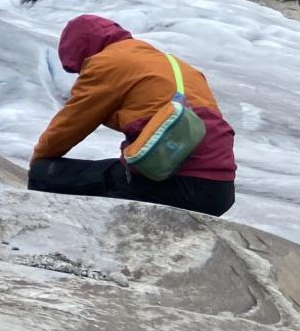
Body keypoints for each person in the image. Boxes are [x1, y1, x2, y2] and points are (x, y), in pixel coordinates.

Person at [28, 15, 236, 216]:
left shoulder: (107, 63)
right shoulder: (175, 65)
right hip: (220, 190)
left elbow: (70, 124)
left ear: (82, 50)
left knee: (46, 174)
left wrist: (38, 160)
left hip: (174, 183)